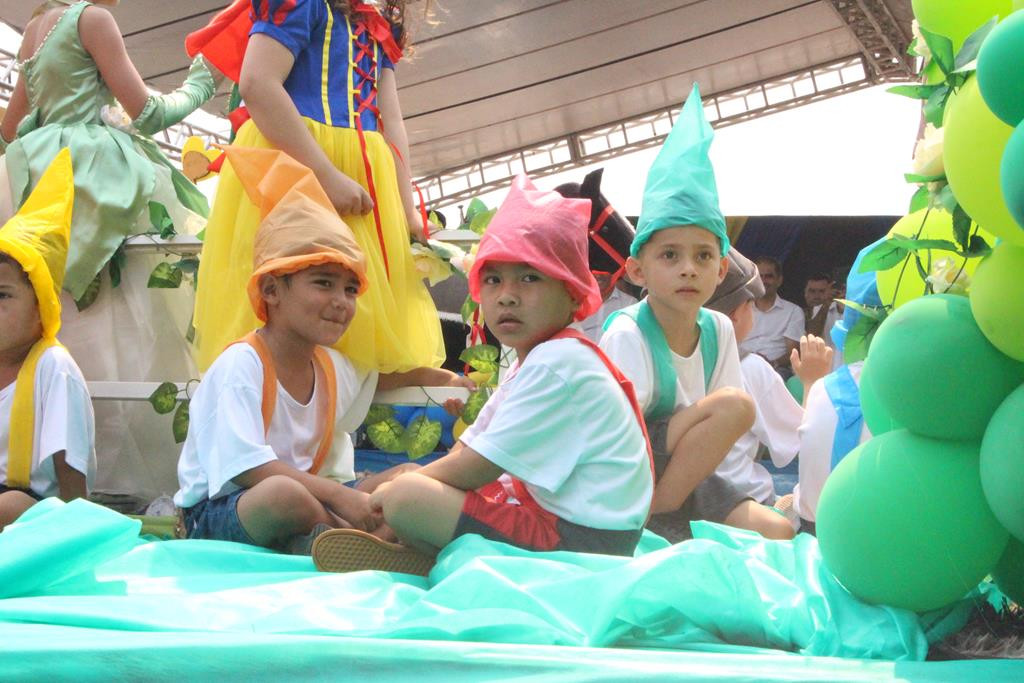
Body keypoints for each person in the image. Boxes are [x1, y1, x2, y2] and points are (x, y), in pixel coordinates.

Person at [311, 174, 654, 574]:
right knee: (411, 481)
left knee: (407, 495)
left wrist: (385, 499)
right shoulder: (538, 358)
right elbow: (467, 448)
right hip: (576, 527)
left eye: (529, 277)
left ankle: (408, 544)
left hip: (583, 543)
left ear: (573, 293)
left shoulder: (559, 362)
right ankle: (402, 543)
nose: (506, 295)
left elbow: (474, 467)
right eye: (493, 279)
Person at [173, 147, 468, 554]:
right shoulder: (242, 363)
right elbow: (247, 468)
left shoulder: (327, 364)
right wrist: (344, 499)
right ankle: (364, 541)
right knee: (283, 495)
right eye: (323, 283)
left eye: (350, 289)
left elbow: (375, 378)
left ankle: (340, 541)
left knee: (406, 474)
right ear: (272, 291)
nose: (342, 302)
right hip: (226, 508)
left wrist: (437, 377)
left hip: (314, 499)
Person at [0, 0, 219, 503]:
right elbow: (147, 112)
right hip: (94, 176)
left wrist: (53, 122)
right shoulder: (92, 19)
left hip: (34, 174)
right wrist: (202, 83)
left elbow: (12, 129)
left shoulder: (35, 26)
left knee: (63, 321)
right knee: (125, 327)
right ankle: (112, 481)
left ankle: (46, 468)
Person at [188, 0, 445, 374]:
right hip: (293, 167)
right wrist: (324, 175)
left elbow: (391, 123)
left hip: (362, 176)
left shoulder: (377, 21)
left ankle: (331, 423)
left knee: (353, 314)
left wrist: (408, 213)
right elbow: (257, 83)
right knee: (293, 298)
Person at [598, 83, 786, 541]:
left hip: (683, 474)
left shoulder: (718, 327)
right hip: (627, 473)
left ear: (722, 270)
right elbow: (618, 441)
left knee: (777, 530)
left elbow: (719, 434)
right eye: (670, 256)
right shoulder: (627, 333)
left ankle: (668, 515)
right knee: (734, 403)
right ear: (637, 270)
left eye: (703, 256)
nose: (688, 269)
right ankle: (650, 519)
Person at [0, 150, 95, 529]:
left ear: (41, 307)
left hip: (35, 506)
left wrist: (72, 538)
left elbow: (69, 465)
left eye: (2, 296)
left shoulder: (52, 367)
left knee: (8, 507)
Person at [705, 248, 832, 513]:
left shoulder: (658, 356)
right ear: (737, 313)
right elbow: (803, 440)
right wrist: (812, 382)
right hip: (740, 506)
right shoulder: (750, 369)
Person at [792, 243, 881, 532]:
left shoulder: (822, 389)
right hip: (889, 545)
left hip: (816, 533)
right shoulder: (942, 396)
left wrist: (812, 383)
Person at [739, 256, 804, 378]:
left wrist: (772, 363)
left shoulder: (793, 311)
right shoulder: (740, 308)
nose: (763, 281)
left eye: (769, 276)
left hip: (776, 369)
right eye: (759, 276)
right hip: (741, 365)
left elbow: (793, 352)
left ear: (779, 281)